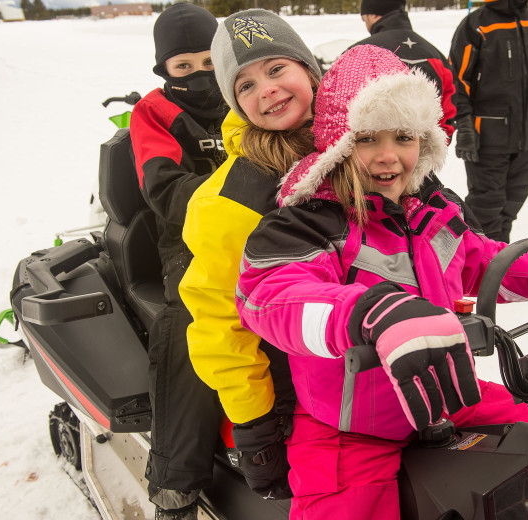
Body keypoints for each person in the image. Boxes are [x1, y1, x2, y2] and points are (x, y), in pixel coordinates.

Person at [234, 45, 528, 520]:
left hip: (447, 398)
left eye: (403, 136)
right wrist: (369, 314)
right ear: (340, 144)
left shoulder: (431, 211)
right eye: (367, 139)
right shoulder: (307, 223)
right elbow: (271, 296)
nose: (388, 157)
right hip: (350, 429)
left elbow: (485, 266)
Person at [178, 7, 322, 506]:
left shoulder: (368, 148)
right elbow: (219, 320)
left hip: (393, 364)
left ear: (309, 69)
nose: (267, 90)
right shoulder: (230, 200)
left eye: (277, 68)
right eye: (244, 85)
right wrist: (257, 426)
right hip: (299, 392)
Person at [128, 4, 228, 518]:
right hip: (188, 240)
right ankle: (175, 485)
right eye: (182, 67)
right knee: (193, 318)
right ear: (163, 70)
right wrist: (238, 193)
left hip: (271, 228)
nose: (199, 76)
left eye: (209, 62)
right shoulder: (153, 113)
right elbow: (163, 188)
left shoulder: (248, 91)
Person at [448, 0, 528, 243]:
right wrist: (465, 125)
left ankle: (499, 263)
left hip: (526, 136)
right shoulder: (477, 23)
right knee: (486, 208)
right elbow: (457, 81)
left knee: (512, 204)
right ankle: (479, 269)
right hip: (487, 137)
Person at [353, 0, 457, 139]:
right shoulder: (436, 55)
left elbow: (340, 112)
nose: (366, 25)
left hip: (374, 155)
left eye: (364, 20)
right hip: (425, 154)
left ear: (373, 15)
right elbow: (449, 110)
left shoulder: (359, 53)